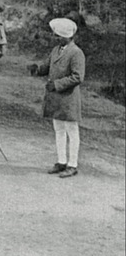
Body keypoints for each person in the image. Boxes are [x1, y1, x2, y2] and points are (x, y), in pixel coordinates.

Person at [28, 18, 85, 178]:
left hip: (68, 98)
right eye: (56, 35)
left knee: (72, 131)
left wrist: (57, 84)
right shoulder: (56, 50)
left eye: (60, 35)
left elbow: (78, 77)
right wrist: (37, 70)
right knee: (59, 130)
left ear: (68, 36)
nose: (57, 38)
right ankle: (61, 161)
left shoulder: (76, 53)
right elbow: (47, 67)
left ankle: (72, 165)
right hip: (55, 98)